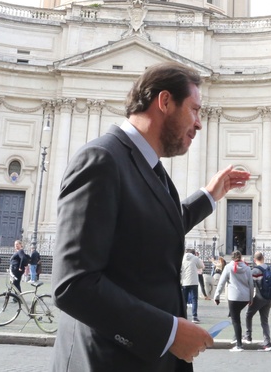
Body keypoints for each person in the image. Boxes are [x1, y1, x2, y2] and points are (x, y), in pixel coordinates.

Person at [52, 61, 250, 371]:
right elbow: (73, 284)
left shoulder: (151, 168)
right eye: (195, 110)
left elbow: (151, 229)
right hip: (108, 361)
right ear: (165, 102)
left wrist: (209, 196)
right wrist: (168, 332)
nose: (199, 123)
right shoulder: (101, 160)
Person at [213, 250, 253, 352]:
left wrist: (216, 296)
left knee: (236, 321)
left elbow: (221, 283)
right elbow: (251, 284)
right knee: (236, 316)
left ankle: (239, 345)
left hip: (233, 298)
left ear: (232, 257)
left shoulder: (228, 267)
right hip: (244, 298)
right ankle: (236, 338)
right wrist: (251, 297)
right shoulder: (247, 268)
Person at [243, 251, 271, 351]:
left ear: (255, 260)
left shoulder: (255, 271)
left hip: (259, 297)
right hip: (268, 298)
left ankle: (248, 336)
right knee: (264, 321)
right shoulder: (269, 268)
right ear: (263, 258)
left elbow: (251, 286)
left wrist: (250, 299)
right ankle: (268, 343)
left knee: (248, 315)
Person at [181, 248, 204, 323]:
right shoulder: (195, 258)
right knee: (194, 300)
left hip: (184, 281)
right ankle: (194, 317)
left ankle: (183, 316)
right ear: (193, 253)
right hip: (193, 281)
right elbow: (201, 266)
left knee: (184, 300)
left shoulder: (182, 258)